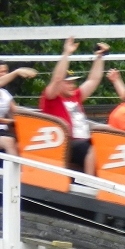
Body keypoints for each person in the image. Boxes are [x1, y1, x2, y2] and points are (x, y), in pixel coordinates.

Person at [40, 37, 109, 173]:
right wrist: (66, 54)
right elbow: (57, 78)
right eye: (68, 82)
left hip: (82, 141)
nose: (72, 85)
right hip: (62, 143)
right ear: (59, 84)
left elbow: (94, 79)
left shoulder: (76, 96)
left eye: (73, 82)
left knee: (105, 144)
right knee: (93, 148)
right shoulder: (51, 97)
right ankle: (90, 184)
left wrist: (100, 57)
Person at [0, 63, 38, 157]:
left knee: (26, 140)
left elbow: (16, 111)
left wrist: (35, 118)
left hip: (3, 131)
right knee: (8, 141)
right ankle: (16, 171)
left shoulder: (4, 93)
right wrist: (17, 72)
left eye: (7, 71)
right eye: (2, 71)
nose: (6, 74)